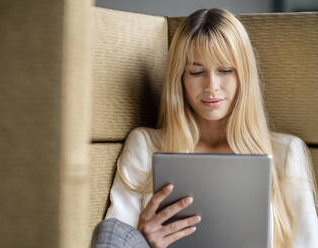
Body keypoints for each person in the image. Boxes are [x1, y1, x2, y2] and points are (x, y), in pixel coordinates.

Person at [91, 8, 318, 248]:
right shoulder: (146, 146)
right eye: (196, 72)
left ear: (244, 76)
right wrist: (144, 239)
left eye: (225, 70)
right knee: (111, 230)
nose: (212, 86)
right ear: (180, 79)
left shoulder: (286, 153)